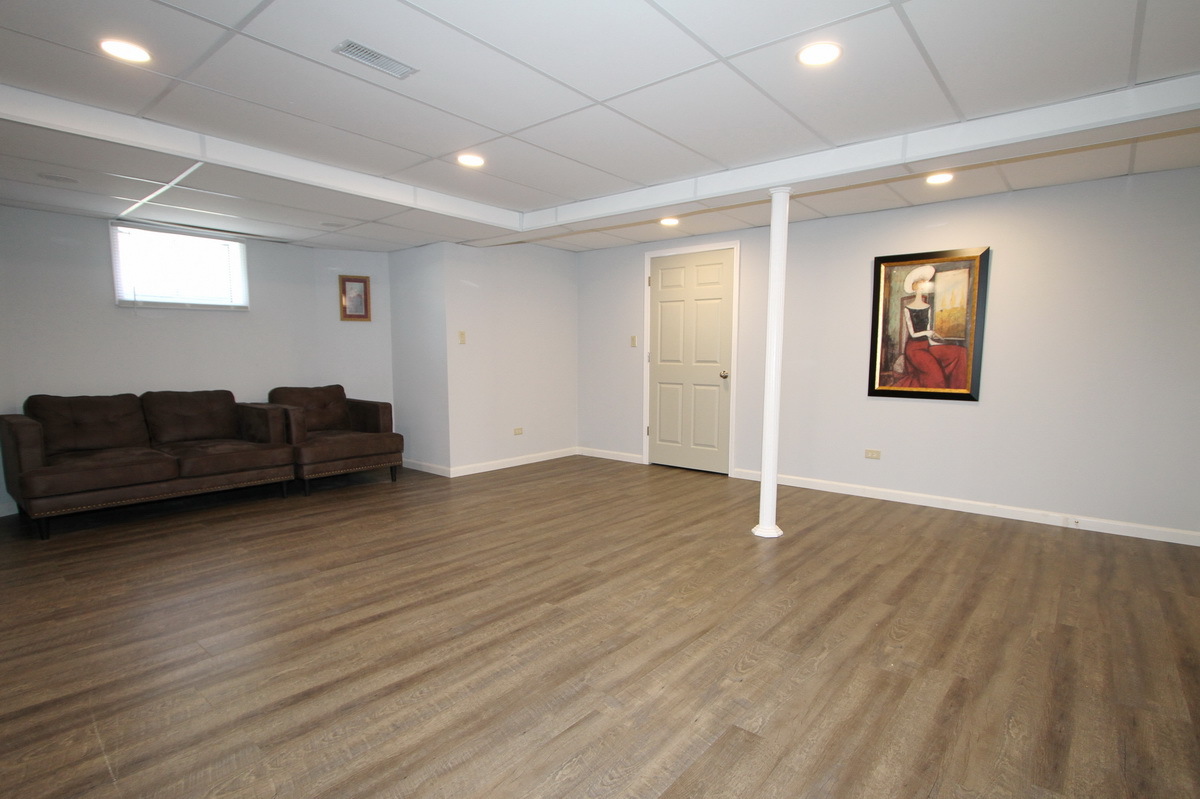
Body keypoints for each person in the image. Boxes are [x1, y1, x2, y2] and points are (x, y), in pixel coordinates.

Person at [895, 264, 967, 389]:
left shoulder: (928, 307)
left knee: (959, 352)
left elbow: (928, 331)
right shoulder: (908, 308)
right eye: (921, 284)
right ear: (915, 287)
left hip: (927, 346)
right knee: (935, 375)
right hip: (913, 350)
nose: (923, 287)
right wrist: (928, 332)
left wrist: (934, 341)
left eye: (925, 284)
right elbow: (912, 334)